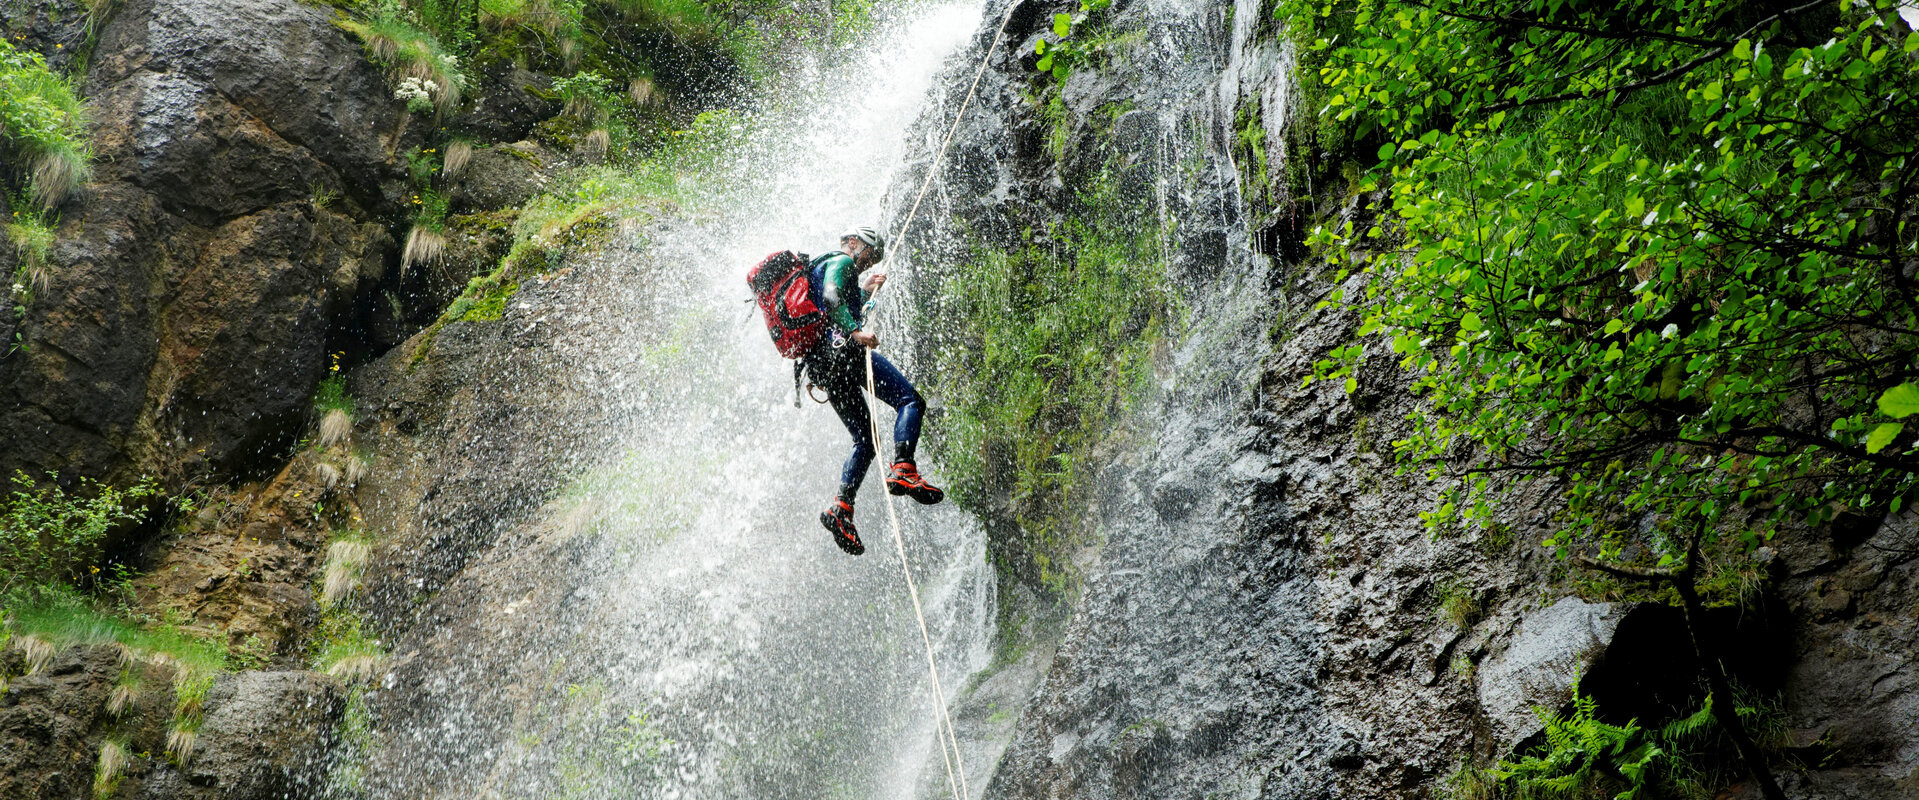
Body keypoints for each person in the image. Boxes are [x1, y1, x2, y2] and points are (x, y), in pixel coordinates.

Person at [804, 226, 944, 556]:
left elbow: (839, 303)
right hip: (845, 353)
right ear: (854, 243)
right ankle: (905, 469)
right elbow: (832, 298)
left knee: (865, 441)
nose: (867, 263)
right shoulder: (840, 261)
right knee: (910, 400)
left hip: (824, 367)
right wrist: (855, 334)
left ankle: (841, 508)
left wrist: (867, 291)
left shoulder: (824, 270)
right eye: (869, 255)